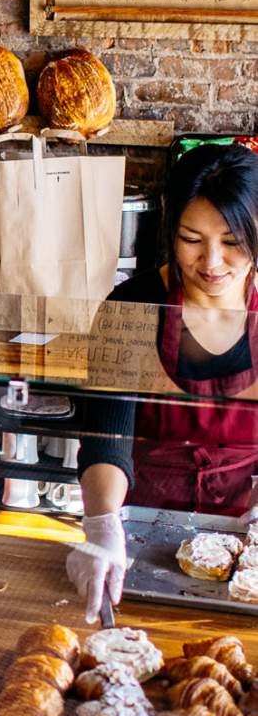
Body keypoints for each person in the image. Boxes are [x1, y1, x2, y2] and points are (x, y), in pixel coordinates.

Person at [69, 143, 258, 621]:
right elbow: (107, 440)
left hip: (243, 539)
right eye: (192, 238)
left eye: (232, 240)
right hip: (138, 535)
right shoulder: (132, 307)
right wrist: (101, 524)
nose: (212, 262)